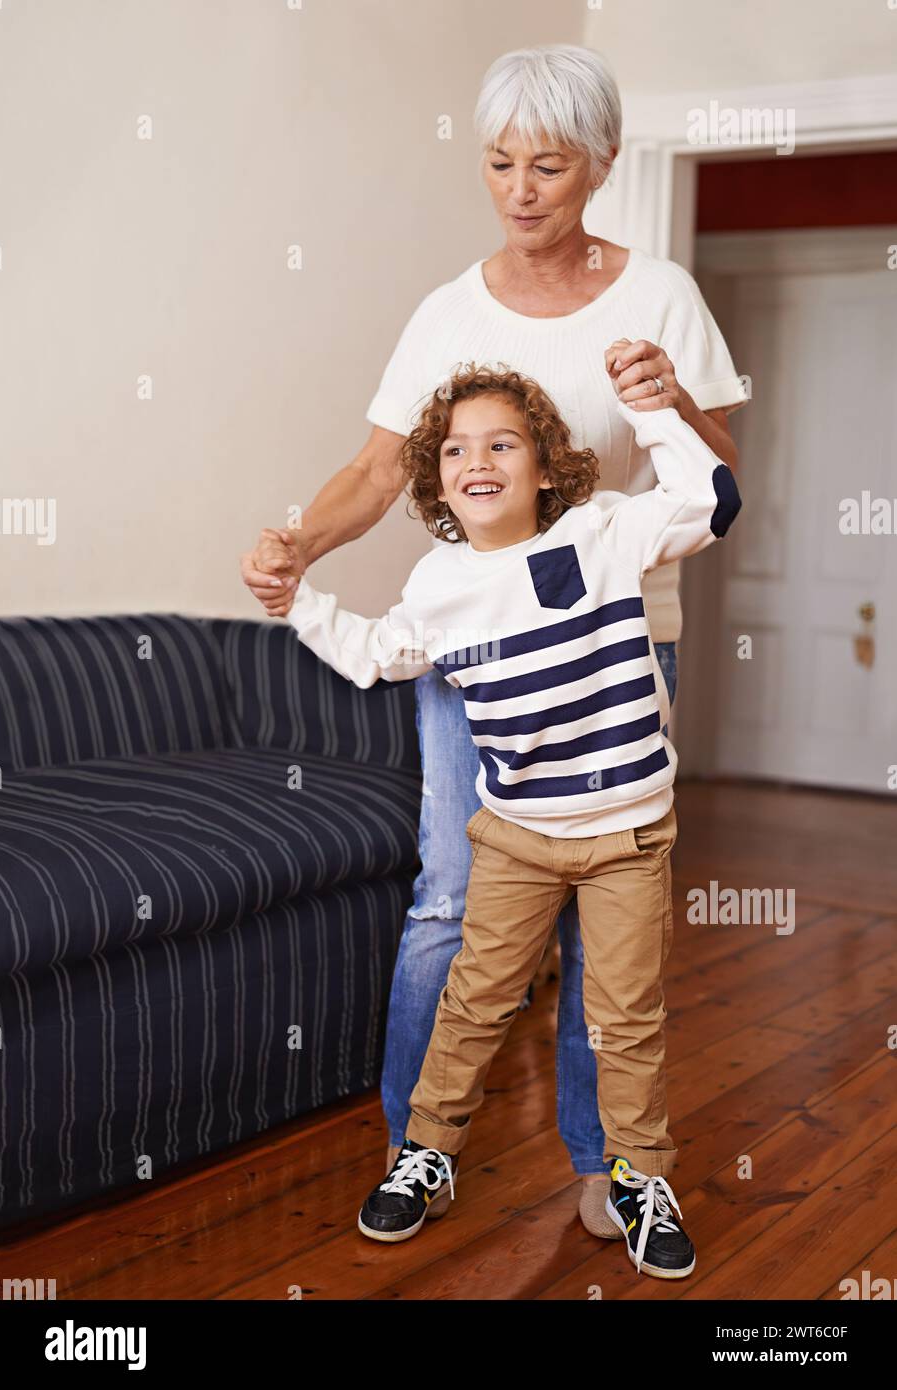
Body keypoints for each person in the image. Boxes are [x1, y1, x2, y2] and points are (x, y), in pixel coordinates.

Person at [239, 44, 747, 1236]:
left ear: (601, 166)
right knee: (449, 900)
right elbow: (376, 469)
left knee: (601, 924)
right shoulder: (447, 313)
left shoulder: (659, 293)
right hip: (479, 656)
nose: (521, 189)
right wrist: (297, 549)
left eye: (550, 165)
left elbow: (719, 483)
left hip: (620, 642)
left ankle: (603, 1165)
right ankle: (417, 1145)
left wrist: (666, 400)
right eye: (500, 162)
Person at [269, 361, 741, 1278]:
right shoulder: (440, 583)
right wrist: (299, 602)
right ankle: (427, 1150)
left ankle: (638, 1175)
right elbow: (377, 654)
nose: (475, 460)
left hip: (628, 838)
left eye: (501, 443)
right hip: (518, 840)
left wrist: (654, 413)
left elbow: (711, 500)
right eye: (454, 449)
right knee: (475, 1002)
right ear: (436, 478)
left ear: (544, 467)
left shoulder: (603, 532)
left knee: (625, 1015)